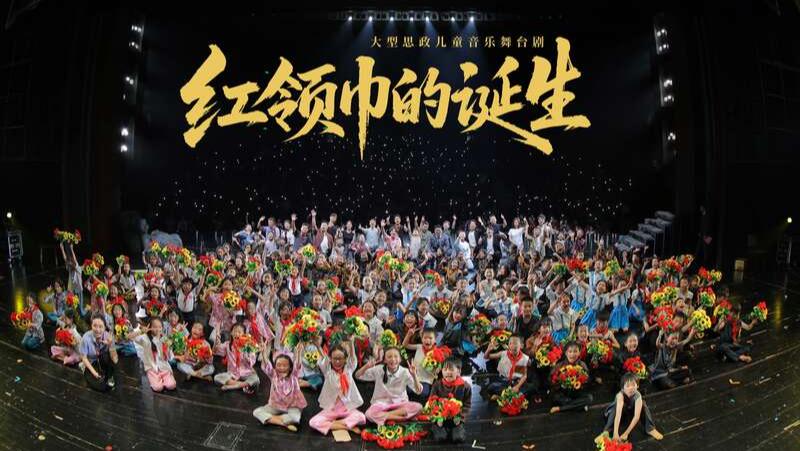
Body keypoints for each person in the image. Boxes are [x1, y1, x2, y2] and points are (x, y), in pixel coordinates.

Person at [599, 373, 664, 442]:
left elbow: (636, 417)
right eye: (627, 386)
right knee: (615, 409)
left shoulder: (638, 396)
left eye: (633, 385)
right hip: (614, 415)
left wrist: (626, 433)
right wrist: (615, 433)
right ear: (623, 388)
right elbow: (618, 415)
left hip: (628, 413)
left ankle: (650, 429)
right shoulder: (620, 395)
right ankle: (606, 431)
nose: (631, 388)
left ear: (637, 386)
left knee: (643, 404)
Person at [79, 315, 119, 392]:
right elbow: (84, 358)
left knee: (105, 356)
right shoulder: (86, 338)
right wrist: (94, 373)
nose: (97, 330)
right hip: (91, 362)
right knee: (98, 386)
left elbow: (115, 360)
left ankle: (109, 376)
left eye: (101, 326)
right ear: (91, 326)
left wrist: (110, 345)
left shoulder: (108, 336)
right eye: (95, 326)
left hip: (104, 361)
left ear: (105, 327)